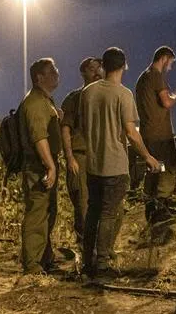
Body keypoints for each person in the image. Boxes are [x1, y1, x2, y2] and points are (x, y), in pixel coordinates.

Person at [79, 47, 160, 278]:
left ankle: (88, 262)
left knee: (93, 213)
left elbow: (84, 127)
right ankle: (102, 264)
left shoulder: (88, 92)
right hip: (114, 165)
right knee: (108, 215)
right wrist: (148, 157)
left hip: (93, 163)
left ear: (103, 66)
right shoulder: (123, 94)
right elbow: (131, 133)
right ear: (125, 65)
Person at [135, 46, 176, 243]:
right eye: (170, 63)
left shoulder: (142, 78)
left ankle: (152, 211)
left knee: (154, 171)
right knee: (168, 168)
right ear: (164, 58)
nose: (170, 67)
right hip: (161, 134)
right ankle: (162, 209)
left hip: (148, 133)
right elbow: (166, 102)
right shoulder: (156, 76)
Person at [18, 57, 61, 275]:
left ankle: (44, 258)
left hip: (43, 164)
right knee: (37, 213)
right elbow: (39, 138)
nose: (57, 73)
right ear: (39, 77)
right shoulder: (35, 103)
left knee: (47, 212)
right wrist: (50, 166)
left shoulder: (45, 100)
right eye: (52, 71)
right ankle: (32, 265)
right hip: (39, 167)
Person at [60, 57, 103, 255]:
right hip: (81, 157)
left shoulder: (104, 96)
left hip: (101, 157)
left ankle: (99, 249)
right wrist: (70, 158)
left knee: (102, 204)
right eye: (92, 68)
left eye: (99, 68)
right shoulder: (74, 98)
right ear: (83, 73)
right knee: (83, 206)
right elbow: (66, 129)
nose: (97, 72)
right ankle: (86, 252)